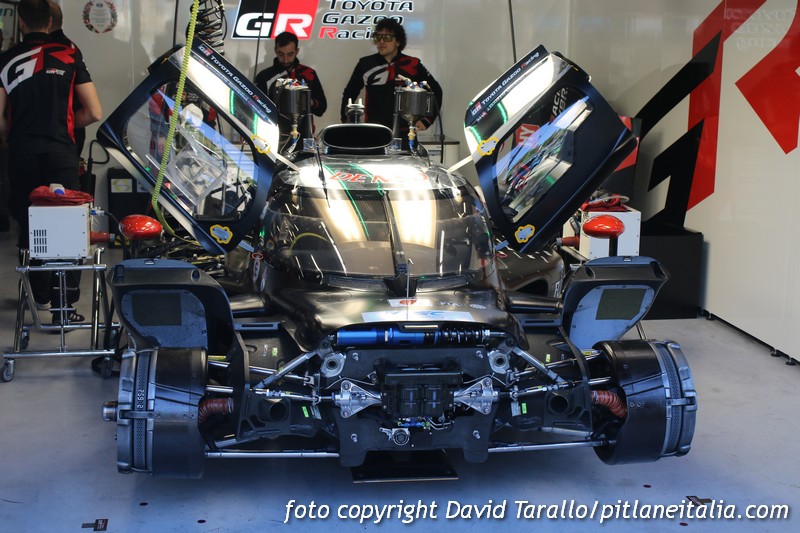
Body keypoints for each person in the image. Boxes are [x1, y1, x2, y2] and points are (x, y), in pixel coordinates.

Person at [0, 0, 102, 323]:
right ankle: (64, 307)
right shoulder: (69, 54)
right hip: (60, 154)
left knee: (28, 223)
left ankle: (39, 297)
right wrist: (66, 127)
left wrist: (12, 134)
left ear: (21, 24)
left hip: (22, 154)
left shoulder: (6, 59)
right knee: (66, 226)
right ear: (49, 21)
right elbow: (94, 111)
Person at [340, 18, 443, 134]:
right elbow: (349, 93)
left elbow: (436, 91)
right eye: (378, 37)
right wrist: (345, 120)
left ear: (398, 41)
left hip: (406, 131)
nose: (381, 41)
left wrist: (427, 120)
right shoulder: (365, 64)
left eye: (387, 37)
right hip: (373, 130)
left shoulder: (413, 64)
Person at [254, 31, 327, 139]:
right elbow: (256, 109)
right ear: (275, 50)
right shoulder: (264, 76)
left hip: (304, 134)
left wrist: (309, 102)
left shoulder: (309, 74)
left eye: (290, 54)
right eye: (281, 54)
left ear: (297, 51)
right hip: (274, 135)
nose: (285, 59)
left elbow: (322, 107)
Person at [48, 0, 86, 158]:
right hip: (69, 132)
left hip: (59, 133)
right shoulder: (71, 47)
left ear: (48, 21)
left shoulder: (56, 50)